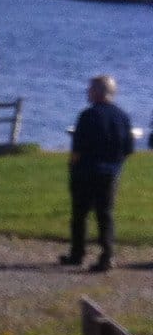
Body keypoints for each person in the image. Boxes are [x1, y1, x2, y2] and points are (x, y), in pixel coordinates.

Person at [63, 74, 134, 272]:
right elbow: (128, 148)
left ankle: (77, 253)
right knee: (105, 214)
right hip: (110, 172)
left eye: (90, 89)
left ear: (98, 92)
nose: (88, 92)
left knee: (80, 214)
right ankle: (107, 256)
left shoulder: (88, 116)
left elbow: (78, 148)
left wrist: (72, 166)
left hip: (86, 171)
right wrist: (115, 164)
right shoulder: (122, 117)